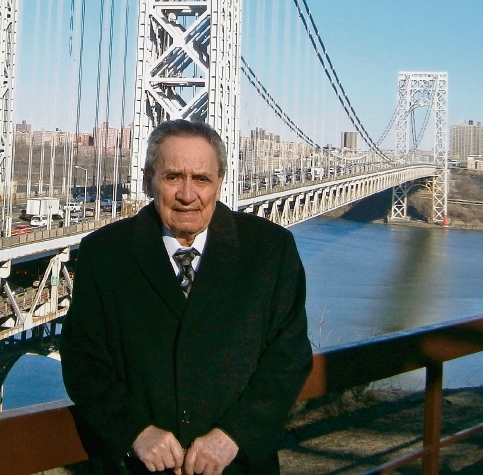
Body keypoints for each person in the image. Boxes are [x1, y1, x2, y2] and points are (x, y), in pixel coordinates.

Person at [61, 119, 312, 475]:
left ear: (221, 182)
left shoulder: (270, 250)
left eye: (202, 179)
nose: (187, 194)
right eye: (173, 177)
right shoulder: (103, 254)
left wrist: (232, 437)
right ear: (149, 180)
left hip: (237, 468)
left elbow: (289, 357)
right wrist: (135, 431)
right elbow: (83, 360)